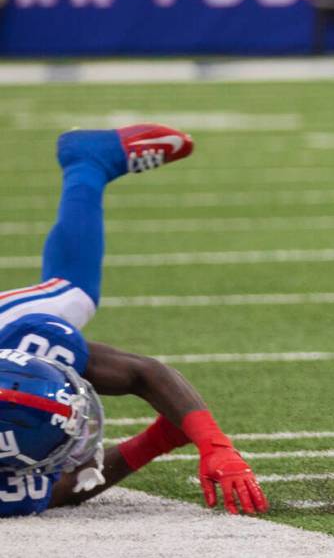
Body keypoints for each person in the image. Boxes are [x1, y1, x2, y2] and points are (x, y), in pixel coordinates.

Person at [0, 124, 268, 518]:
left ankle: (89, 160)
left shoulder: (26, 344)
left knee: (73, 295)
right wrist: (155, 440)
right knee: (72, 293)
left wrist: (214, 445)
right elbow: (64, 486)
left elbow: (144, 373)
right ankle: (87, 163)